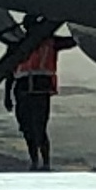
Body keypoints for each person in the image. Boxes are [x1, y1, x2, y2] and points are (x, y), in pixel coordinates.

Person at [7, 32, 73, 170]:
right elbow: (9, 71)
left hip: (37, 91)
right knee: (28, 129)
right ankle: (36, 161)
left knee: (39, 128)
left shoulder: (47, 42)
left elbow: (72, 42)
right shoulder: (18, 43)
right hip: (25, 90)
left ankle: (44, 161)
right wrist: (7, 96)